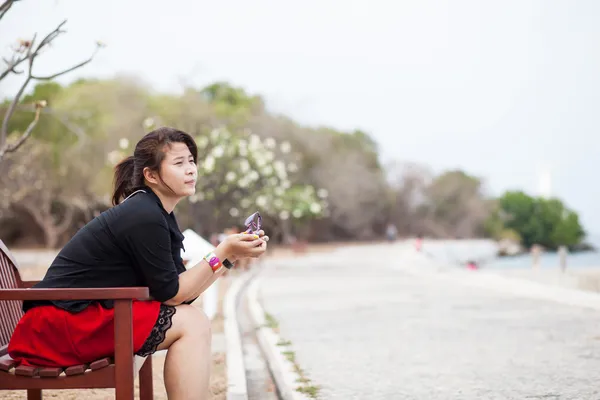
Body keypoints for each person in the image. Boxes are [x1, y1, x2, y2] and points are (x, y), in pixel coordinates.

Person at [7, 127, 268, 399]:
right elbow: (174, 293)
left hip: (80, 314)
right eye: (179, 163)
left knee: (194, 320)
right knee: (193, 324)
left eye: (191, 160)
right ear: (151, 175)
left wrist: (229, 256)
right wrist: (223, 250)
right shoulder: (144, 215)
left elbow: (181, 295)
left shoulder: (156, 212)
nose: (191, 169)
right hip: (57, 326)